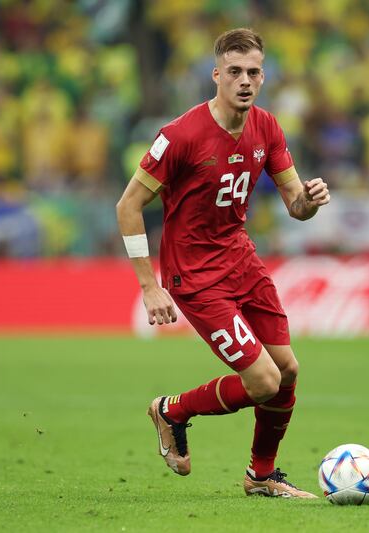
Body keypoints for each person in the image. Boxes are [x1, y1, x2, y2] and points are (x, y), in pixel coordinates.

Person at [116, 28, 330, 498]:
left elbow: (295, 202)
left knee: (288, 371)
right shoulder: (180, 136)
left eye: (253, 72)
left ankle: (262, 476)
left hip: (240, 258)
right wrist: (149, 286)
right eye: (234, 72)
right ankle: (172, 410)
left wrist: (310, 202)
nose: (245, 81)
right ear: (216, 75)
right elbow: (128, 206)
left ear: (263, 76)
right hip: (194, 274)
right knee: (263, 381)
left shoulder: (268, 127)